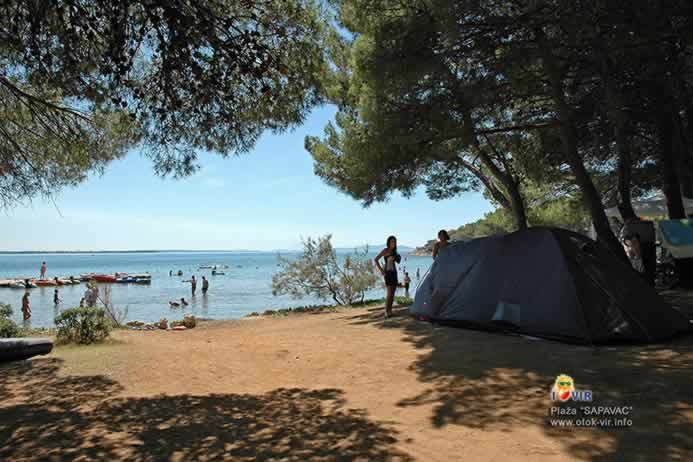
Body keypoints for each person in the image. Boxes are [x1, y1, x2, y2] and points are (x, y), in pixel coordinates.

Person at [375, 235, 401, 318]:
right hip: (388, 273)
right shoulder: (385, 250)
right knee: (389, 293)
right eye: (392, 241)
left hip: (394, 273)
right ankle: (386, 311)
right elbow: (376, 259)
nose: (394, 243)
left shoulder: (394, 251)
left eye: (395, 242)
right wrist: (381, 270)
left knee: (393, 293)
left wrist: (397, 256)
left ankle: (390, 311)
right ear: (389, 242)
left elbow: (398, 261)